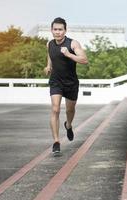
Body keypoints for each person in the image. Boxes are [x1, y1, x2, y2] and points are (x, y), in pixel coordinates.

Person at [44, 17, 88, 156]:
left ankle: (68, 125)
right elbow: (50, 55)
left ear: (65, 30)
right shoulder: (49, 44)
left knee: (70, 110)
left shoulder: (73, 44)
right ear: (52, 30)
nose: (58, 32)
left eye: (60, 29)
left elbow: (84, 60)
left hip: (71, 83)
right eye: (55, 29)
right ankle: (56, 142)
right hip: (56, 81)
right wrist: (48, 66)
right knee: (55, 109)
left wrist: (69, 54)